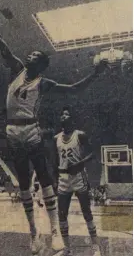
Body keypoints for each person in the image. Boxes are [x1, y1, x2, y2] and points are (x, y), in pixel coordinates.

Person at [0, 0, 107, 254]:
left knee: (44, 178)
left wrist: (95, 75)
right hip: (11, 131)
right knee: (22, 184)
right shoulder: (17, 68)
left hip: (31, 130)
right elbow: (1, 45)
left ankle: (53, 231)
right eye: (30, 54)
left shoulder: (43, 82)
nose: (29, 55)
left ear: (41, 64)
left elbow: (75, 90)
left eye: (34, 55)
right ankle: (33, 232)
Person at [54, 107, 101, 256]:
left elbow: (93, 153)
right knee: (61, 215)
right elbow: (54, 160)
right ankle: (67, 248)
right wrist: (55, 178)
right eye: (62, 113)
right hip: (63, 179)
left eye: (67, 113)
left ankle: (95, 246)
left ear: (72, 119)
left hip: (79, 176)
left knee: (86, 212)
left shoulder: (80, 135)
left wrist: (80, 164)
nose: (63, 115)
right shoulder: (56, 138)